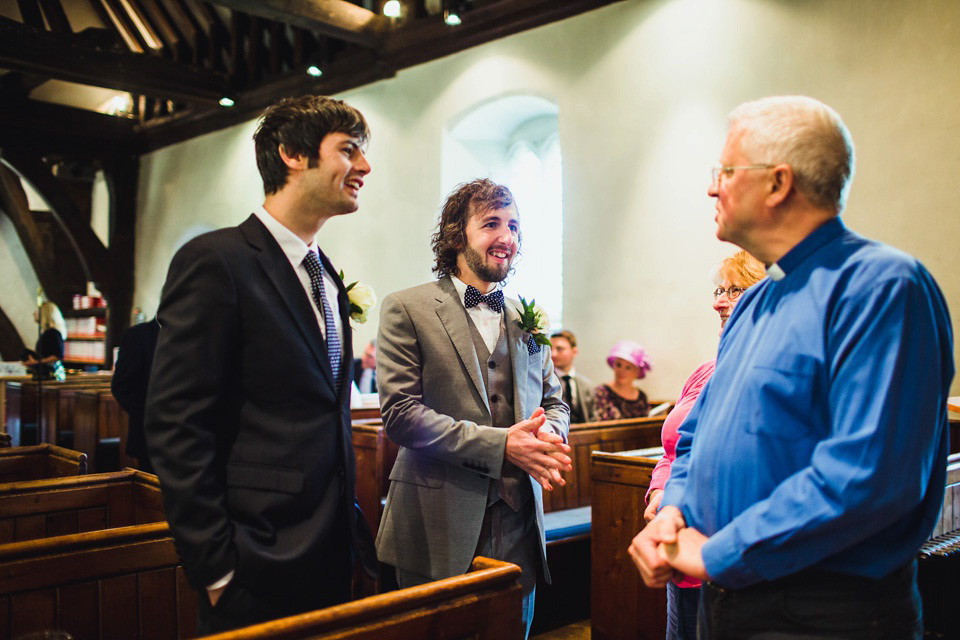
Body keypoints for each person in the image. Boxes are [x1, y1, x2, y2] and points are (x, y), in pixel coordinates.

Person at [629, 96, 953, 639]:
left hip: (824, 610)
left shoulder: (881, 287)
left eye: (726, 171)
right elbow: (695, 437)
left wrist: (718, 553)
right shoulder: (753, 304)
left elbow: (868, 479)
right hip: (727, 598)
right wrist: (674, 513)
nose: (713, 187)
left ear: (779, 184)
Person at [145, 95, 378, 634]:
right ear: (293, 153)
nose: (365, 167)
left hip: (329, 551)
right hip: (253, 559)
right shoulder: (217, 261)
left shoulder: (326, 279)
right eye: (349, 150)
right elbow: (177, 423)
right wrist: (216, 568)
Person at [375, 178, 572, 639]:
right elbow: (401, 414)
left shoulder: (527, 316)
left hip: (520, 520)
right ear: (455, 233)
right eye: (491, 224)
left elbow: (554, 400)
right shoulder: (408, 307)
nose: (507, 237)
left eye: (514, 226)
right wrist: (502, 445)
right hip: (436, 516)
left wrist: (549, 434)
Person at [642, 249, 765, 640]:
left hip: (728, 555)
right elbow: (674, 449)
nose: (718, 301)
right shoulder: (705, 372)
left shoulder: (768, 374)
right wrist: (660, 490)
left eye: (734, 290)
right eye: (717, 290)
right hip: (680, 551)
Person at [112, 316, 160, 473]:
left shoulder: (193, 334)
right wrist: (153, 414)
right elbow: (121, 387)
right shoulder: (138, 335)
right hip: (150, 435)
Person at [593, 340, 651, 420]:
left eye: (628, 368)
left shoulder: (641, 397)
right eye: (619, 365)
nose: (622, 371)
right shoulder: (602, 392)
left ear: (637, 371)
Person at [550, 330, 596, 423]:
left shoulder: (587, 385)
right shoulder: (545, 383)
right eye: (550, 349)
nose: (553, 354)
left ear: (574, 351)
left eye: (559, 349)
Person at [22, 300, 66, 381]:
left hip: (51, 375)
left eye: (38, 311)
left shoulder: (53, 333)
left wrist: (36, 361)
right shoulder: (48, 332)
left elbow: (58, 355)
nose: (34, 313)